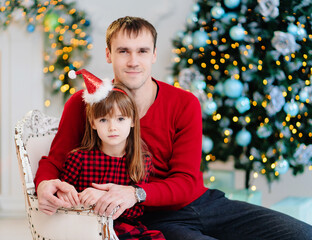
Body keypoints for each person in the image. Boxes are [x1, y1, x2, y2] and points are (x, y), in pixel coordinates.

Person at [35, 16, 312, 239]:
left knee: (301, 233)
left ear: (154, 54)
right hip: (152, 218)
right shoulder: (85, 103)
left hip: (202, 203)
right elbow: (55, 160)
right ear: (108, 55)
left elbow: (187, 180)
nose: (133, 61)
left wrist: (135, 192)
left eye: (142, 51)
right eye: (123, 51)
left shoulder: (184, 103)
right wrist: (45, 184)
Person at [57, 70, 164, 239]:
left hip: (127, 227)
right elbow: (64, 201)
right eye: (103, 120)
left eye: (120, 119)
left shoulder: (142, 160)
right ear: (93, 123)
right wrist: (74, 196)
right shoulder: (78, 159)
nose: (112, 127)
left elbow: (136, 209)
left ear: (132, 121)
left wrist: (106, 197)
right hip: (88, 228)